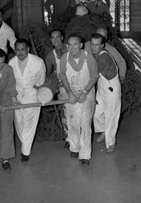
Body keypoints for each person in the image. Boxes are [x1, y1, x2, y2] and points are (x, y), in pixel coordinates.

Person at [59, 34, 98, 165]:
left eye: (75, 44)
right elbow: (63, 77)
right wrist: (70, 93)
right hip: (70, 92)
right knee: (72, 122)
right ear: (67, 46)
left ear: (81, 45)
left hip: (87, 91)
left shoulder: (89, 57)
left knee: (85, 123)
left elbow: (94, 76)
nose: (73, 47)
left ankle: (85, 155)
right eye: (70, 45)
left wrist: (85, 92)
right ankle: (74, 148)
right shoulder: (64, 58)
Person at [9, 38, 46, 162]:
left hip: (32, 96)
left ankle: (25, 152)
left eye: (23, 50)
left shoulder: (38, 62)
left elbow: (41, 80)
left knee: (29, 124)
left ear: (28, 49)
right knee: (19, 123)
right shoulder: (11, 63)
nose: (20, 53)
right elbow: (10, 82)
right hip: (17, 96)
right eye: (17, 50)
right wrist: (13, 97)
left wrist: (36, 90)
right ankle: (25, 145)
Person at [90, 33, 122, 154]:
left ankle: (111, 142)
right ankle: (104, 131)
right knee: (96, 113)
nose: (93, 47)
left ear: (102, 45)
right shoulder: (95, 54)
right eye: (92, 44)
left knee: (111, 116)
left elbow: (92, 75)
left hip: (111, 89)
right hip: (102, 88)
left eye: (96, 45)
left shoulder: (103, 57)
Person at [44, 29, 69, 147]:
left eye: (58, 37)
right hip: (62, 88)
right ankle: (68, 138)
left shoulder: (71, 49)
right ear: (51, 40)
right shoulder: (50, 56)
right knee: (65, 113)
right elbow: (47, 75)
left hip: (76, 85)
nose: (56, 40)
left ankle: (78, 137)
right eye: (53, 38)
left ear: (62, 37)